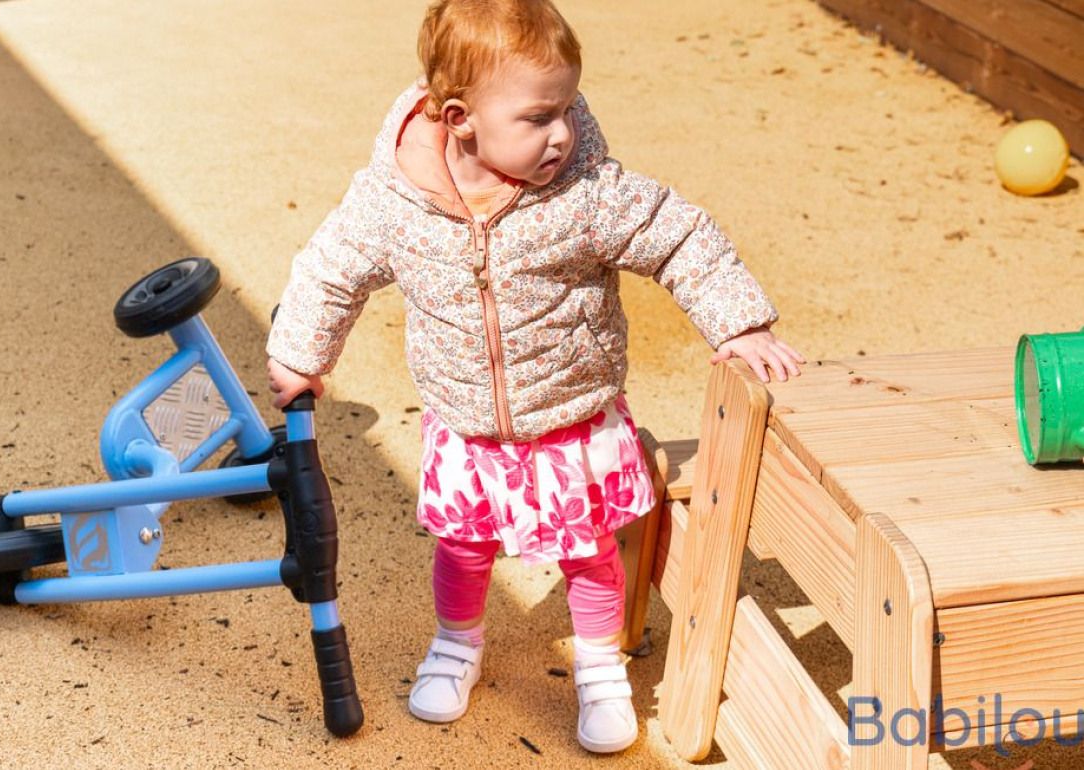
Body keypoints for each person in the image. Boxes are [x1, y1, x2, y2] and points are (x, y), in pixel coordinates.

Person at [266, 0, 804, 753]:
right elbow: (331, 269)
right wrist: (300, 355)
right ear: (459, 118)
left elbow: (677, 235)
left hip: (568, 412)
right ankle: (457, 645)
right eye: (539, 117)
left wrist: (738, 321)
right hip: (466, 421)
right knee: (464, 548)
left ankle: (600, 666)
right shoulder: (396, 200)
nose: (562, 133)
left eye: (568, 109)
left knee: (586, 549)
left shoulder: (584, 194)